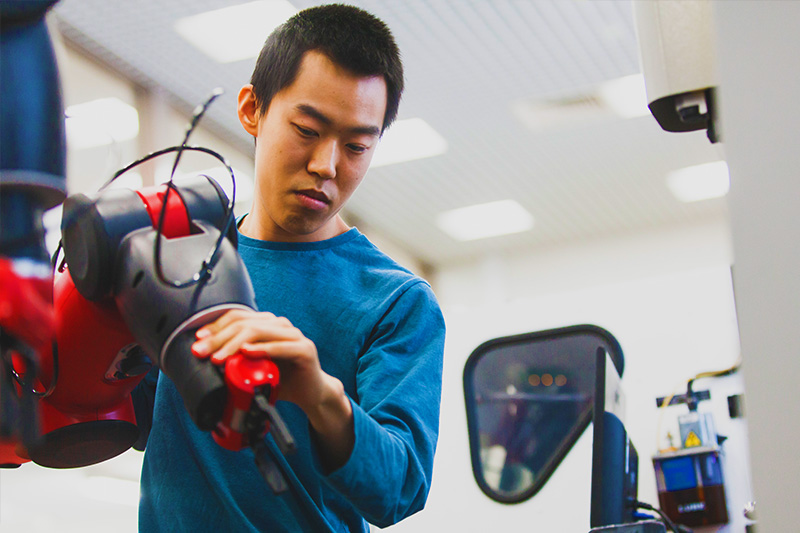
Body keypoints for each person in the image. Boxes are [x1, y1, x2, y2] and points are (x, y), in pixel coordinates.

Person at [135, 4, 446, 532]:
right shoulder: (179, 262)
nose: (327, 166)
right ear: (253, 109)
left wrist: (316, 391)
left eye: (355, 146)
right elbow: (126, 423)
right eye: (307, 129)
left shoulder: (395, 302)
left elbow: (401, 489)